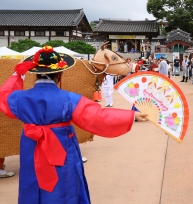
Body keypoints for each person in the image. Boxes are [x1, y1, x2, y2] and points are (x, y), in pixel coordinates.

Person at [0, 46, 148, 203]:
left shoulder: (18, 98)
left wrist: (18, 74)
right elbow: (98, 117)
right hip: (61, 144)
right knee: (64, 183)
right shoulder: (69, 99)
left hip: (31, 144)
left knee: (32, 179)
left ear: (35, 74)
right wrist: (132, 116)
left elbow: (4, 95)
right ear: (60, 73)